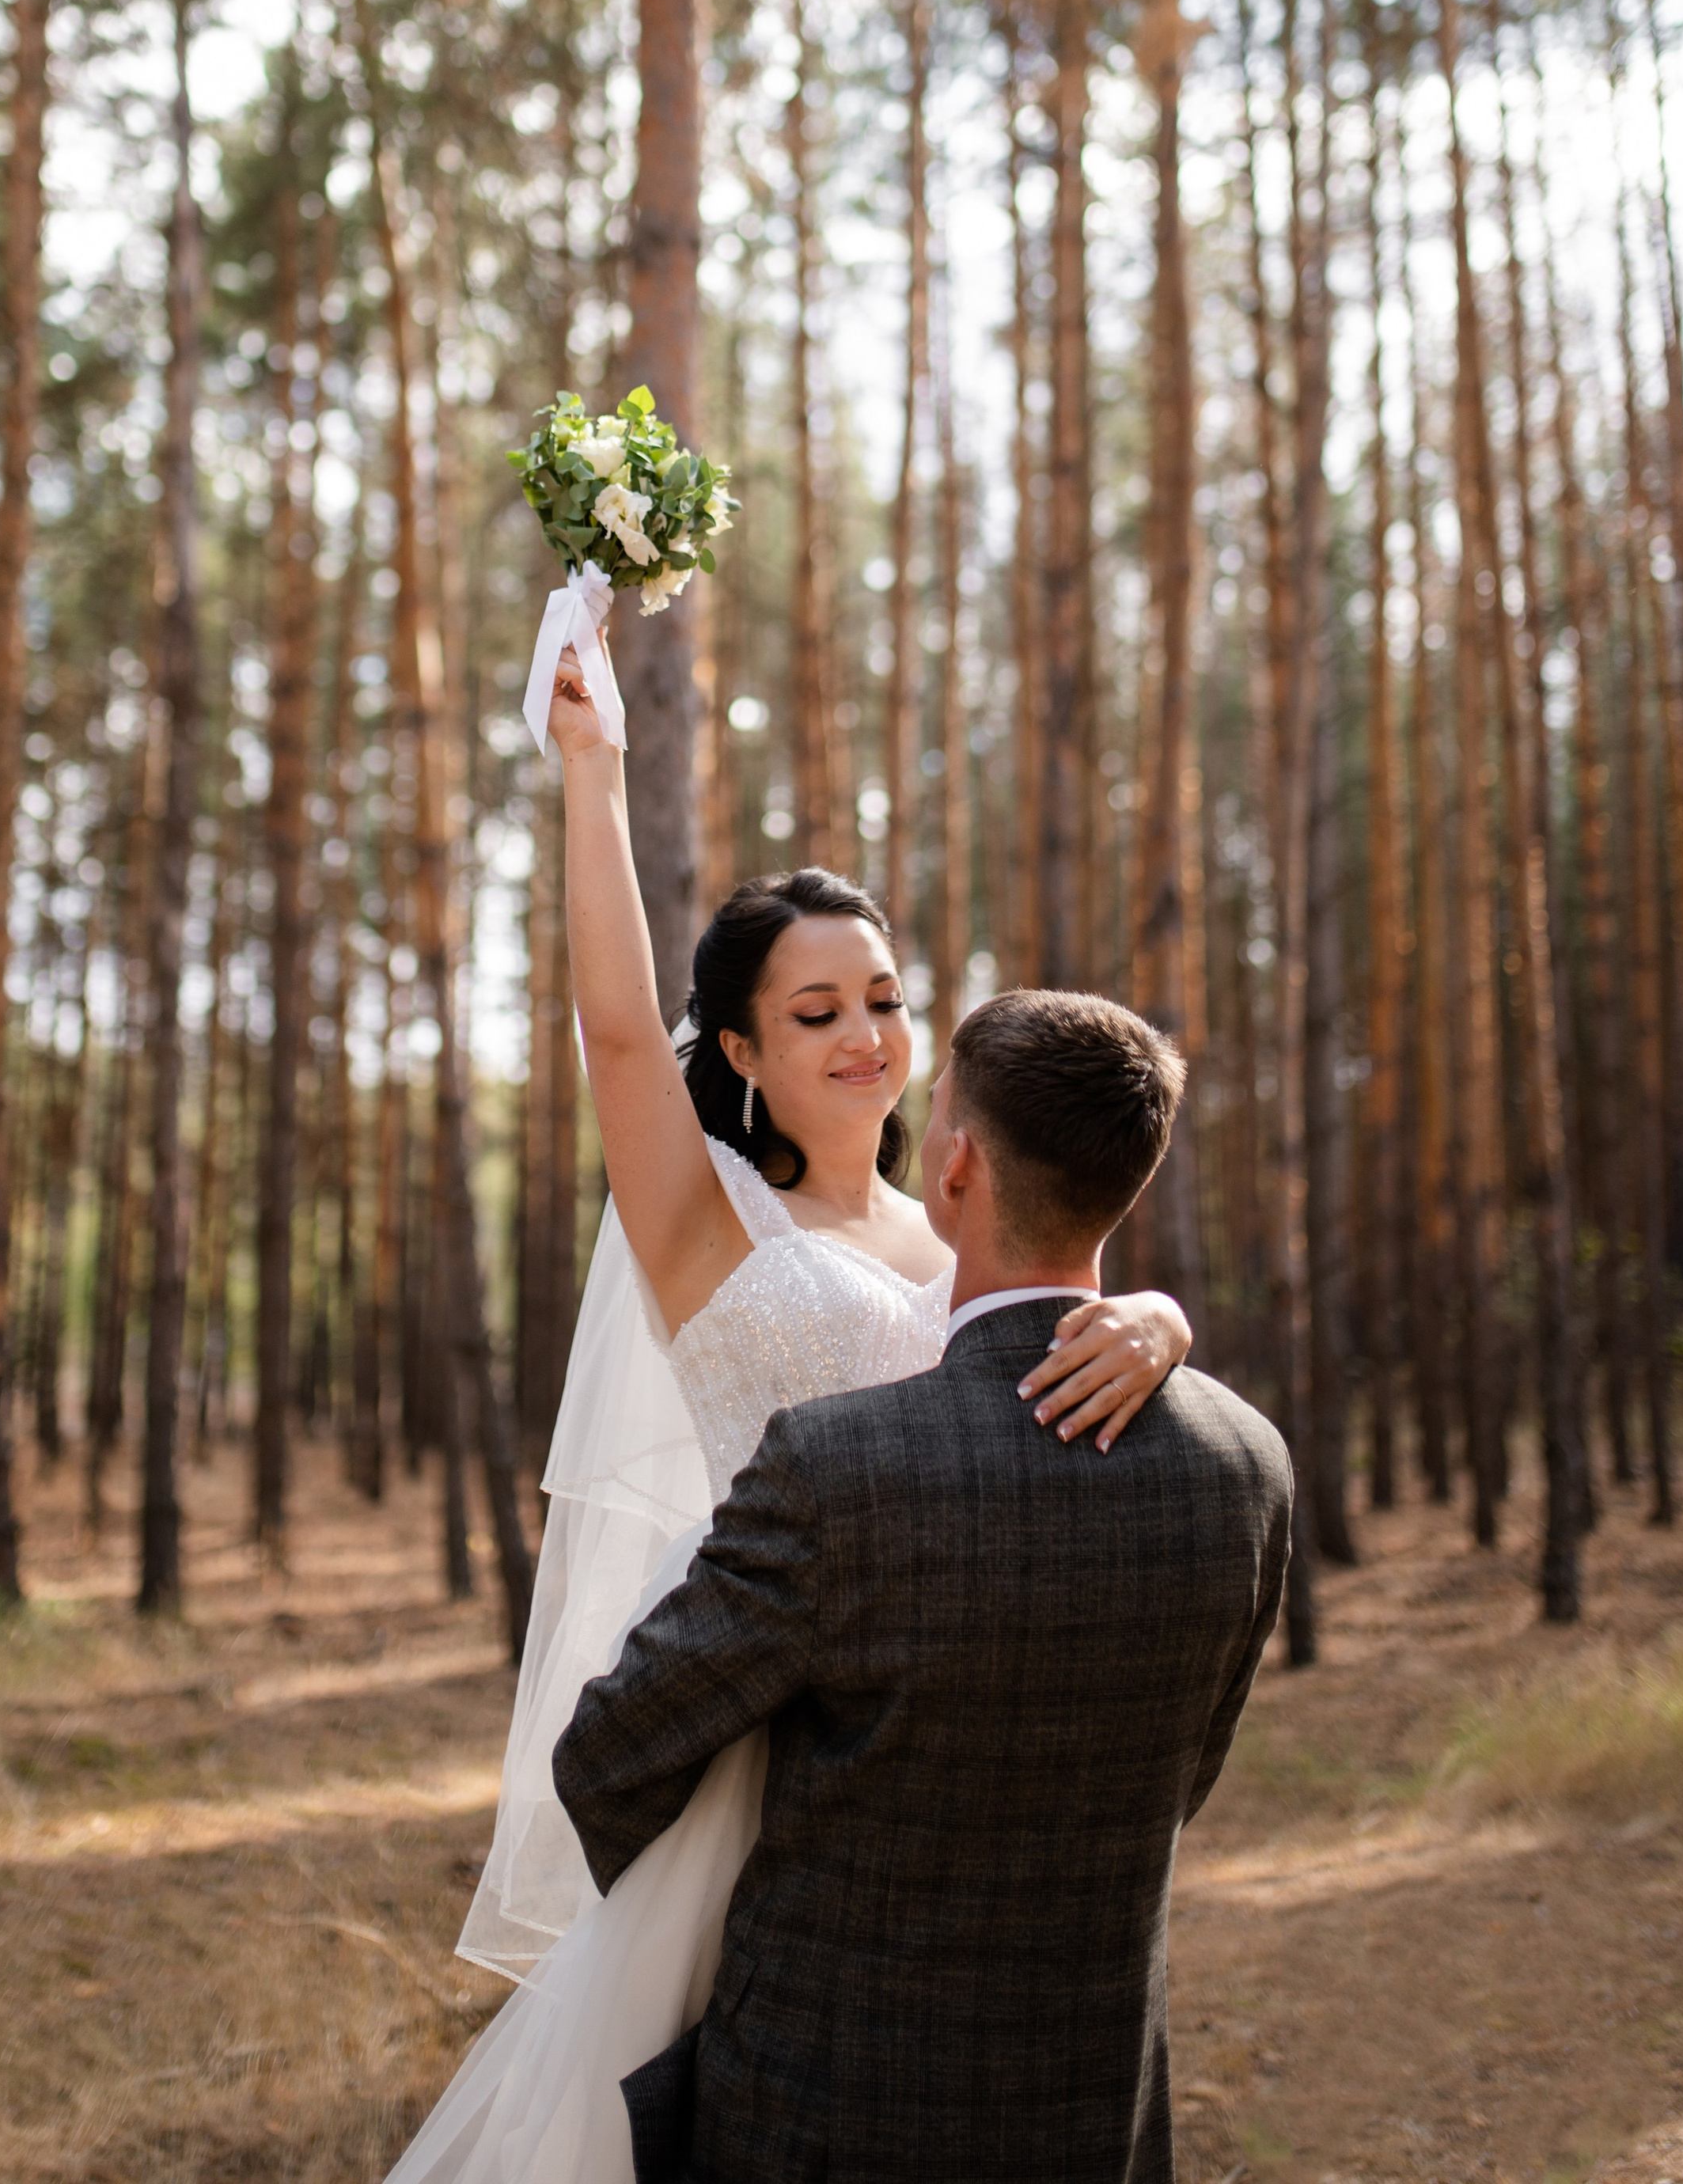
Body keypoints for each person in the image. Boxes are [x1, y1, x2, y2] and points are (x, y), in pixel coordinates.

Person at [383, 658, 1195, 2184]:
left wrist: (1160, 1323)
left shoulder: (958, 1223)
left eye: (886, 999)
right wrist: (592, 771)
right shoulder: (710, 1224)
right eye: (816, 1010)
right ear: (742, 1051)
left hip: (939, 1709)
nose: (868, 1037)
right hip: (759, 1712)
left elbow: (1060, 1303)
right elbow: (622, 1038)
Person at [556, 988, 1293, 2184]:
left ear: (954, 1170)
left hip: (824, 2101)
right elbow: (1184, 1779)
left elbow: (610, 1756)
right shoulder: (1249, 1465)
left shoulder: (835, 1466)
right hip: (1091, 2104)